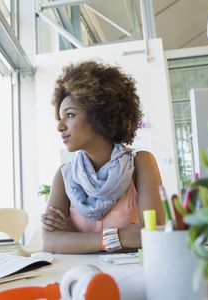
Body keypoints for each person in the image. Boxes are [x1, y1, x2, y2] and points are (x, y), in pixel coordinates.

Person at [41, 61, 165, 253]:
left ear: (98, 115)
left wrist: (74, 237)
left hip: (129, 278)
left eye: (70, 115)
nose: (60, 127)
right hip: (79, 277)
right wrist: (123, 236)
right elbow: (50, 242)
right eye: (60, 118)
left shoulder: (141, 164)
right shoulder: (64, 175)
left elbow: (154, 235)